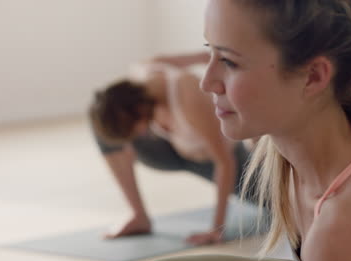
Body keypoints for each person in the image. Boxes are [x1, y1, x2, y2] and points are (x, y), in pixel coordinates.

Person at [196, 0, 351, 261]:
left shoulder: (345, 226)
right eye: (210, 51)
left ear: (314, 76)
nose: (207, 83)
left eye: (229, 61)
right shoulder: (292, 161)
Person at [89, 52, 254, 245]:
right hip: (176, 150)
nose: (139, 136)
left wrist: (216, 229)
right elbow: (205, 56)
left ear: (138, 110)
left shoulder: (187, 95)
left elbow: (225, 162)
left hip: (216, 161)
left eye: (136, 129)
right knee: (104, 131)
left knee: (275, 200)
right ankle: (138, 216)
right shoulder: (145, 70)